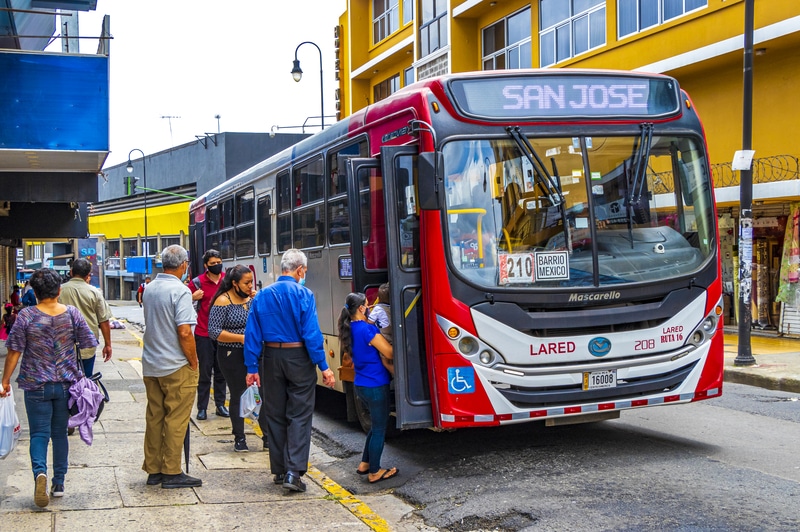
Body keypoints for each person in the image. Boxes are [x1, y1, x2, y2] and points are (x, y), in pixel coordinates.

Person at [0, 268, 97, 507]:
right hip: (66, 386)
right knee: (60, 433)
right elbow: (88, 343)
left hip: (35, 385)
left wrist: (4, 382)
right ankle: (59, 483)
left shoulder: (26, 316)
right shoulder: (72, 314)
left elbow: (14, 351)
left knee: (39, 435)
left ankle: (40, 474)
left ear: (35, 291)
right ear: (59, 290)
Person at [244, 248, 336, 493]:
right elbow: (312, 334)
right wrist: (324, 367)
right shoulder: (304, 294)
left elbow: (252, 333)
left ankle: (279, 469)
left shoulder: (262, 296)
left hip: (271, 357)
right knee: (299, 414)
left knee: (274, 413)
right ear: (299, 270)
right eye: (304, 270)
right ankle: (294, 472)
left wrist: (252, 366)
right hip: (299, 357)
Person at [141, 245, 201, 489]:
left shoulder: (149, 288)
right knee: (177, 419)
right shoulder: (181, 291)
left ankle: (153, 469)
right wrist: (194, 361)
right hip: (176, 365)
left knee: (155, 417)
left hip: (152, 363)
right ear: (184, 264)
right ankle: (172, 471)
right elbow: (185, 331)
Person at [338, 292, 398, 484]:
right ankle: (374, 471)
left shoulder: (350, 329)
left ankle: (364, 463)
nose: (370, 306)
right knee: (380, 429)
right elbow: (389, 352)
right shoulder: (367, 330)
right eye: (368, 304)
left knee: (374, 426)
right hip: (376, 385)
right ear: (362, 308)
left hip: (361, 385)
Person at [208, 265, 268, 452]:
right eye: (246, 283)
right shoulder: (223, 301)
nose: (250, 286)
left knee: (263, 393)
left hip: (255, 352)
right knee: (239, 394)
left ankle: (267, 436)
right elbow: (214, 331)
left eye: (252, 282)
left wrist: (258, 300)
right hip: (231, 354)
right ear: (234, 284)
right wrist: (242, 338)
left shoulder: (251, 299)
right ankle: (239, 438)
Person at [190, 249, 229, 421]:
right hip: (203, 333)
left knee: (222, 372)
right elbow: (183, 302)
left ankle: (220, 405)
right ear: (206, 265)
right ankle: (202, 408)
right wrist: (193, 296)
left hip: (223, 334)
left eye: (219, 262)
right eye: (213, 264)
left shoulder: (226, 281)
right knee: (205, 373)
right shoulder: (197, 283)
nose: (217, 266)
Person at [58, 258, 113, 377]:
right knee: (86, 380)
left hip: (62, 345)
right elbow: (104, 320)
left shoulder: (59, 290)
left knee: (65, 381)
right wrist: (108, 344)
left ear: (71, 272)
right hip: (87, 345)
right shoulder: (95, 292)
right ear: (88, 275)